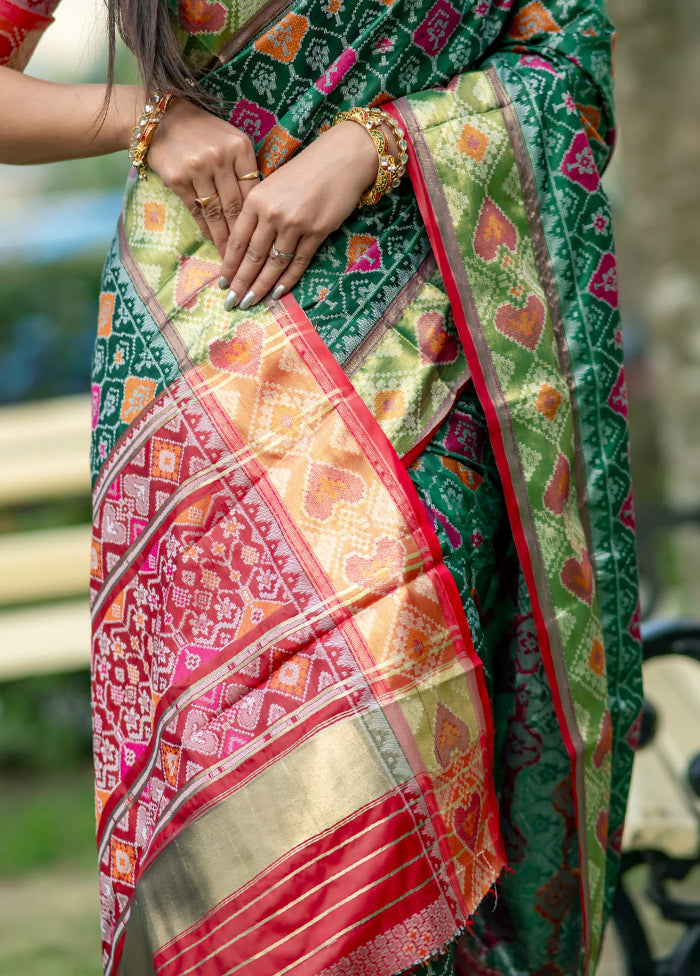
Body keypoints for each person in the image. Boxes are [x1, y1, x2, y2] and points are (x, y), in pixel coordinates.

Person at [0, 0, 642, 973]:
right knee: (227, 815)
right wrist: (147, 120)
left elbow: (570, 57)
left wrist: (371, 144)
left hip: (425, 349)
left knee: (407, 785)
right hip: (198, 362)